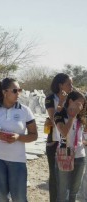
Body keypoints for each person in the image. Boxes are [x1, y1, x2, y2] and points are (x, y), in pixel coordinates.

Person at [0, 77, 38, 202]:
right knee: (2, 197)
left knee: (19, 198)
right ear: (4, 92)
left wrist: (18, 137)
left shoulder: (25, 111)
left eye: (20, 90)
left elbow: (34, 135)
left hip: (17, 160)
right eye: (15, 90)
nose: (18, 93)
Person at [44, 73, 73, 202]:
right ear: (60, 85)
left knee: (68, 175)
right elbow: (53, 118)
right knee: (54, 176)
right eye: (69, 84)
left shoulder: (73, 98)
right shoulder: (50, 98)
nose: (72, 86)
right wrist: (61, 101)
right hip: (54, 142)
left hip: (69, 142)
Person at [54, 91, 86, 202]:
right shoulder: (59, 114)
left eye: (83, 104)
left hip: (80, 156)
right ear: (70, 101)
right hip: (65, 154)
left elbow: (82, 136)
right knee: (63, 192)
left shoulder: (81, 118)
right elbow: (63, 132)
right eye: (79, 103)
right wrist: (72, 117)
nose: (81, 107)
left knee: (74, 191)